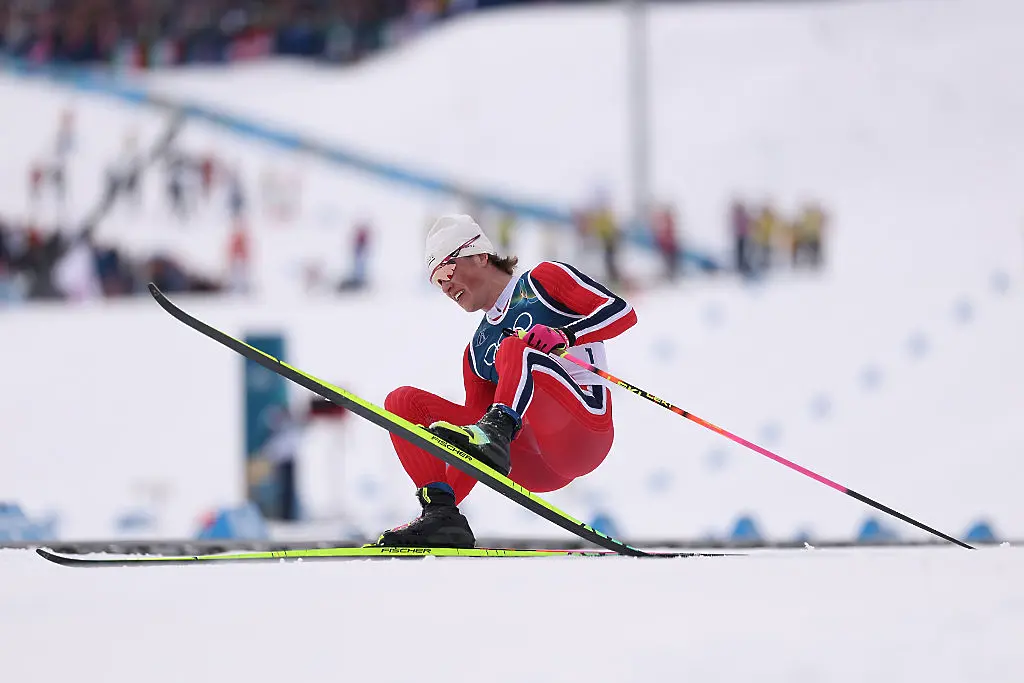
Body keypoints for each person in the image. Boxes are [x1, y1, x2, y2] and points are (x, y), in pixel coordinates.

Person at [373, 214, 637, 548]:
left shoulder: (542, 282)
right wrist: (450, 499)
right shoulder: (476, 351)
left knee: (514, 348)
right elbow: (472, 441)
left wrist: (566, 335)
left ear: (480, 255)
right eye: (436, 282)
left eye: (446, 271)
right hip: (533, 466)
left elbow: (622, 311)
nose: (445, 287)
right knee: (402, 402)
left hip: (582, 435)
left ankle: (498, 431)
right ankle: (440, 513)